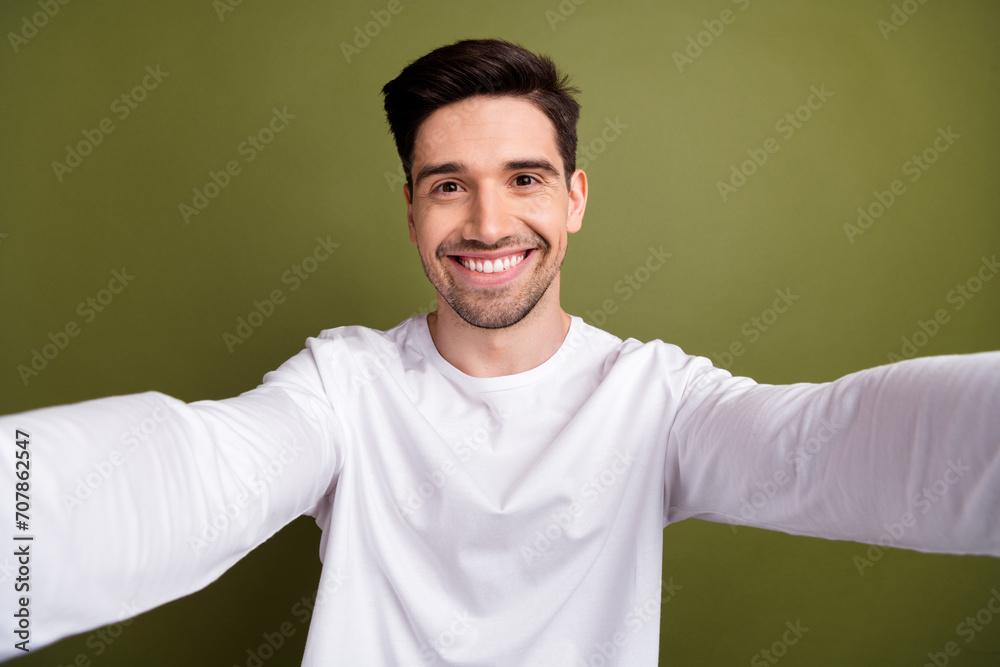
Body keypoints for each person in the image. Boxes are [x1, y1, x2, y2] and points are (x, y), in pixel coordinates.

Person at [2, 38, 998, 666]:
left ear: (573, 199)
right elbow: (200, 470)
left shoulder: (655, 397)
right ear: (409, 209)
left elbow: (833, 441)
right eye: (447, 184)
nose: (487, 222)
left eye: (523, 178)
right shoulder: (342, 385)